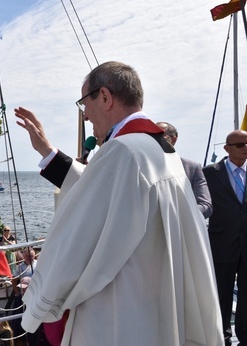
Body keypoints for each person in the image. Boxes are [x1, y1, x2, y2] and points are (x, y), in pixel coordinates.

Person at [14, 61, 222, 345]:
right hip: (158, 305)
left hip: (121, 312)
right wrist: (49, 153)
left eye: (84, 103)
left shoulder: (122, 151)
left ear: (105, 97)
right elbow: (104, 192)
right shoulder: (157, 149)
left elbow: (78, 237)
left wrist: (40, 302)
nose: (86, 116)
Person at [203, 129, 247, 345]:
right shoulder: (210, 173)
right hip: (221, 243)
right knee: (221, 294)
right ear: (227, 149)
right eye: (240, 145)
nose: (245, 148)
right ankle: (223, 338)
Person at [156, 121, 213, 218]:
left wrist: (181, 217)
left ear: (173, 140)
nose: (155, 139)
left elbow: (205, 205)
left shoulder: (192, 168)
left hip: (182, 229)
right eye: (151, 136)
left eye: (161, 135)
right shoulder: (140, 166)